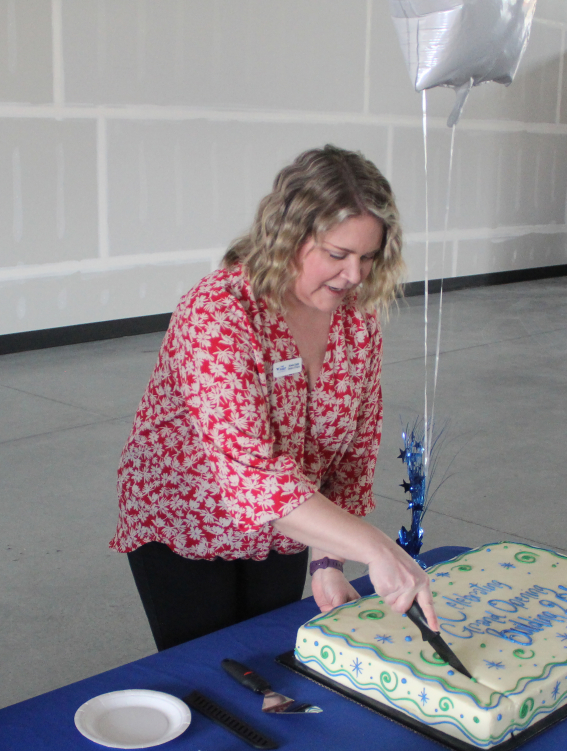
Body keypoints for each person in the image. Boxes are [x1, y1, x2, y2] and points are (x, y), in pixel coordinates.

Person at [110, 145, 438, 650]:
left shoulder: (356, 322)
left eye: (368, 257)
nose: (355, 275)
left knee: (273, 660)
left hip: (292, 519)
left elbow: (352, 454)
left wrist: (329, 560)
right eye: (337, 254)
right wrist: (376, 549)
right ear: (288, 236)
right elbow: (251, 476)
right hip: (187, 523)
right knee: (211, 669)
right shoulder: (219, 311)